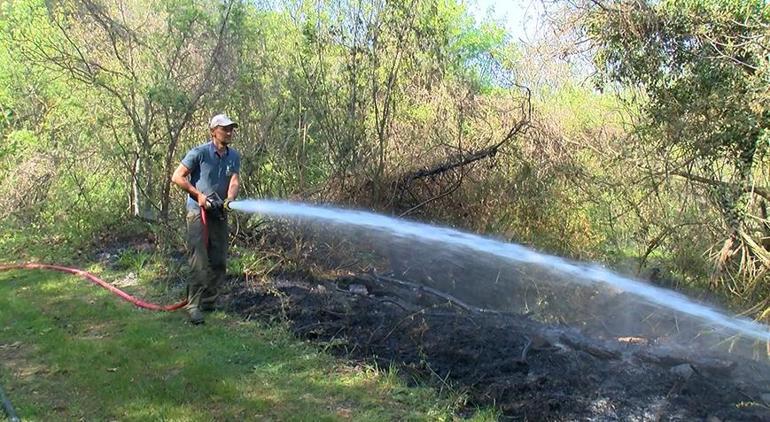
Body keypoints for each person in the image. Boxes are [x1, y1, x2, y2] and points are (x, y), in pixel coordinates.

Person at [171, 113, 241, 324]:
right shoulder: (199, 153)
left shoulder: (234, 156)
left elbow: (234, 180)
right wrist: (199, 196)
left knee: (219, 260)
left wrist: (230, 198)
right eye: (224, 128)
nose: (229, 132)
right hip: (197, 212)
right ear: (213, 131)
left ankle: (210, 302)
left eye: (231, 129)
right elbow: (177, 176)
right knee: (199, 260)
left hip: (219, 211)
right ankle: (193, 306)